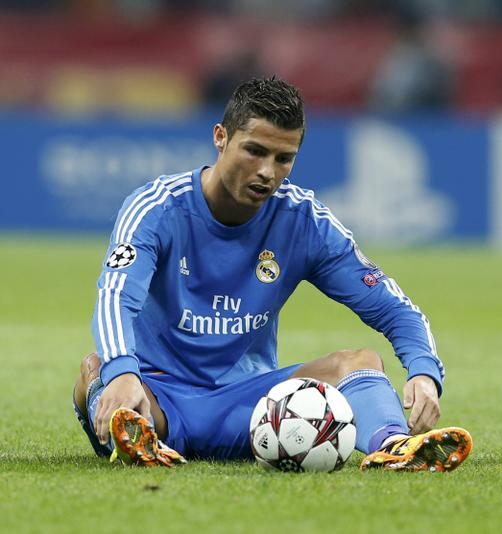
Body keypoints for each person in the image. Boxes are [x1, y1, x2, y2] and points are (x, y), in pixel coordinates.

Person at [71, 76, 472, 471]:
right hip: (161, 395)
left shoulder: (304, 221)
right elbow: (115, 297)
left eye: (284, 158)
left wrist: (424, 373)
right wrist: (122, 371)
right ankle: (137, 434)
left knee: (361, 360)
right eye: (255, 151)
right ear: (220, 137)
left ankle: (395, 445)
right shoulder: (157, 208)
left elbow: (396, 310)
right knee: (96, 370)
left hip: (255, 410)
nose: (267, 171)